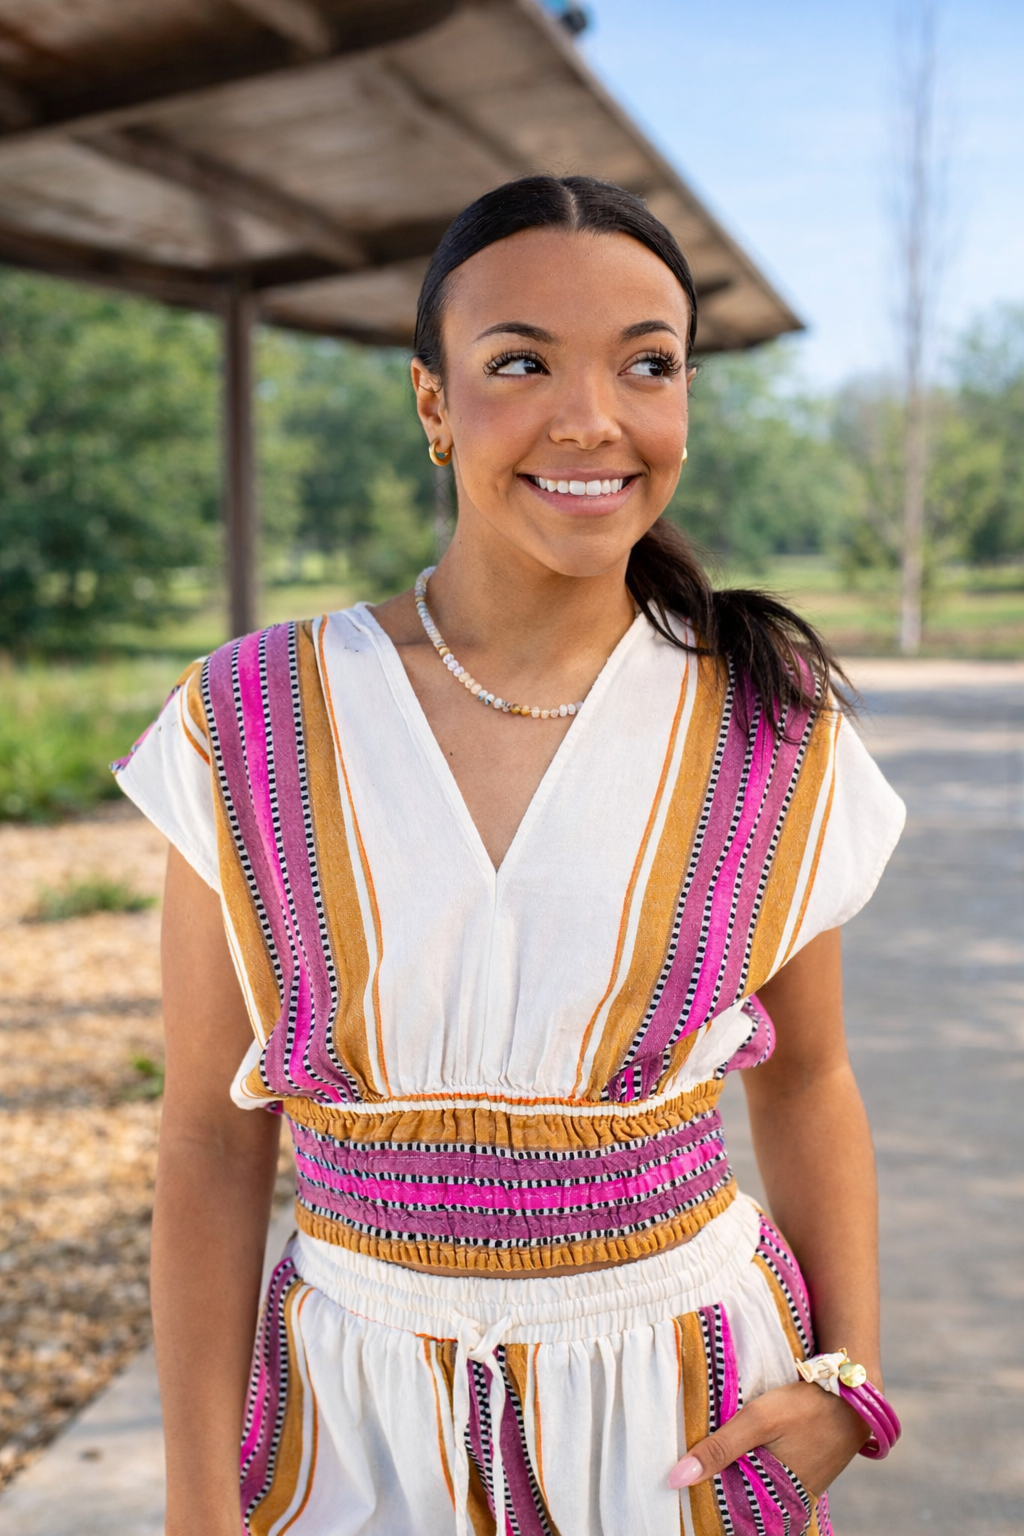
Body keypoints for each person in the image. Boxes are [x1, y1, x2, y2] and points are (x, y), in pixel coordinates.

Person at [114, 176, 906, 1536]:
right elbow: (206, 1135)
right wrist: (197, 1503)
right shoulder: (250, 721)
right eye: (520, 362)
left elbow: (812, 1079)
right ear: (434, 405)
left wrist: (847, 1382)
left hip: (678, 1414)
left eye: (646, 365)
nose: (592, 418)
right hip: (351, 1416)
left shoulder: (767, 722)